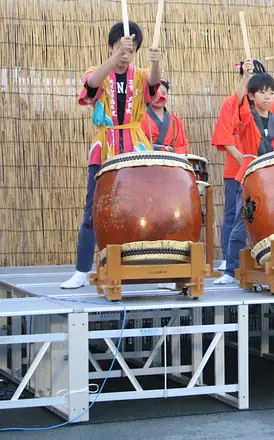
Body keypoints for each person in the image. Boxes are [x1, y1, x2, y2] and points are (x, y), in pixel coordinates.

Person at [61, 22, 162, 289]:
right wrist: (114, 59)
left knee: (143, 207)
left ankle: (152, 268)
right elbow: (90, 86)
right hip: (104, 147)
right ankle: (82, 270)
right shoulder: (98, 72)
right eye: (120, 48)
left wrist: (155, 63)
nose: (125, 55)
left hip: (135, 147)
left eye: (130, 50)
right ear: (110, 47)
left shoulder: (140, 75)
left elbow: (154, 85)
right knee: (93, 209)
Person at [214, 63, 274, 285]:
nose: (268, 97)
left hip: (273, 178)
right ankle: (230, 270)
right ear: (251, 96)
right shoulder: (245, 119)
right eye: (262, 92)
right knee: (242, 222)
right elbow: (237, 102)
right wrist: (246, 77)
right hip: (250, 176)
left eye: (271, 93)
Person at [210, 60, 274, 271]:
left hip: (263, 167)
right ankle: (228, 259)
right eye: (250, 77)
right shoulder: (234, 103)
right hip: (239, 165)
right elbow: (225, 132)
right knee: (234, 212)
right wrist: (238, 155)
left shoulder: (272, 106)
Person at [141, 80, 189, 153]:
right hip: (148, 160)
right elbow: (137, 145)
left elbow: (182, 146)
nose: (159, 97)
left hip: (172, 160)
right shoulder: (139, 119)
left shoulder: (175, 121)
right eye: (155, 93)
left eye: (163, 93)